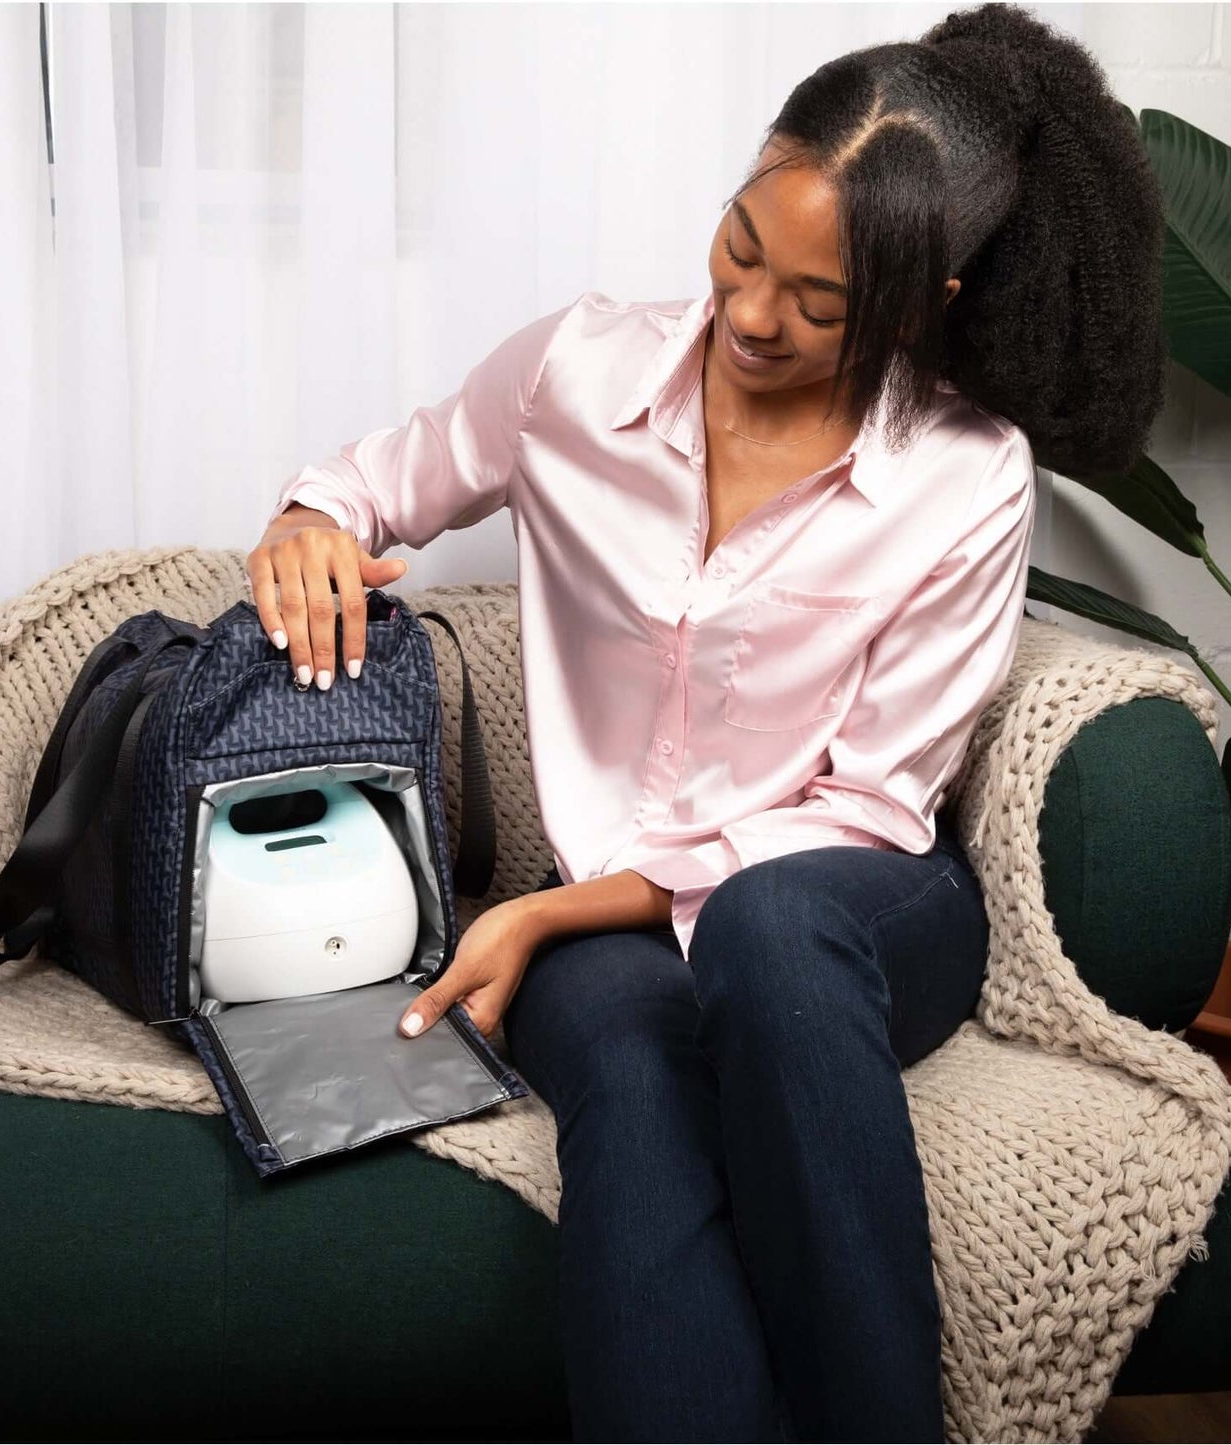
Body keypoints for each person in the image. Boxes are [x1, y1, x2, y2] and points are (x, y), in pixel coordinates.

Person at [245, 5, 1166, 1439]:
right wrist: (307, 521)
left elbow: (866, 805)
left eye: (820, 298)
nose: (750, 315)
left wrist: (549, 913)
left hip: (859, 910)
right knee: (622, 1059)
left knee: (767, 923)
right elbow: (375, 479)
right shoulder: (577, 373)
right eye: (743, 247)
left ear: (928, 298)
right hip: (614, 932)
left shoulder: (967, 475)